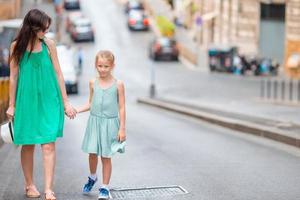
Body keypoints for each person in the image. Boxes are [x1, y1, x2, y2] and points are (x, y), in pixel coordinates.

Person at [6, 9, 76, 200]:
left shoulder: (49, 45)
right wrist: (12, 105)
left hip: (48, 100)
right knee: (27, 144)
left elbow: (59, 73)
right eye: (43, 29)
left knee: (48, 145)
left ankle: (48, 189)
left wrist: (66, 102)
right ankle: (29, 185)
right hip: (26, 101)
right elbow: (13, 77)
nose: (46, 31)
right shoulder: (16, 47)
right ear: (32, 28)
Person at [76, 50, 126, 200]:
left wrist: (122, 128)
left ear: (112, 66)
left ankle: (104, 187)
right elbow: (91, 103)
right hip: (94, 122)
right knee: (92, 154)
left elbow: (122, 107)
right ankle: (92, 177)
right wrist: (77, 110)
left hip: (110, 124)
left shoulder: (118, 85)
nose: (102, 69)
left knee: (106, 156)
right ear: (95, 65)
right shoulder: (93, 82)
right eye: (100, 66)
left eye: (106, 66)